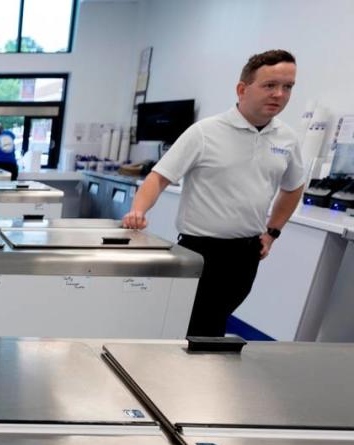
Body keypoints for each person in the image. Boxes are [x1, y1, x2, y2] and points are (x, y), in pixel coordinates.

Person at [122, 49, 305, 337]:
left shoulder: (287, 138)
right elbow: (159, 177)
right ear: (242, 89)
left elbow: (294, 187)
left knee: (215, 321)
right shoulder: (205, 132)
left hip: (247, 253)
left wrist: (273, 232)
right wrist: (138, 211)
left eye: (287, 87)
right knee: (195, 326)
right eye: (270, 85)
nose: (279, 94)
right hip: (202, 250)